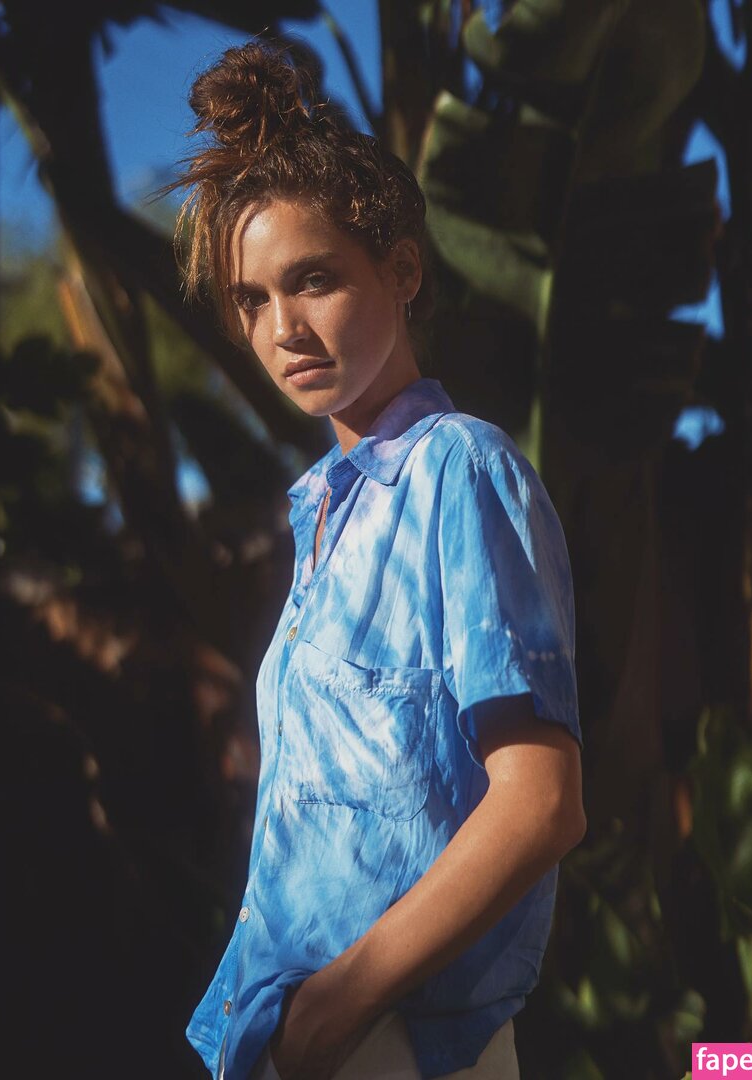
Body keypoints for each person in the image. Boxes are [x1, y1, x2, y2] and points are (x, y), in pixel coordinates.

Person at [174, 39, 586, 1080]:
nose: (283, 329)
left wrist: (340, 1006)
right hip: (291, 1031)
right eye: (251, 299)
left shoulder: (459, 470)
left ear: (401, 270)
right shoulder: (322, 515)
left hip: (400, 1039)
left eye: (313, 280)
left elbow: (540, 801)